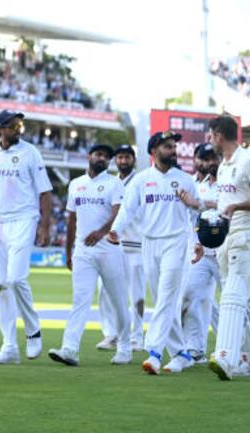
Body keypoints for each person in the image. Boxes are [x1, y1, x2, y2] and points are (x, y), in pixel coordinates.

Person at [109, 131, 199, 375]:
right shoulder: (141, 180)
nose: (173, 151)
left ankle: (155, 353)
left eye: (174, 146)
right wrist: (115, 230)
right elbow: (127, 210)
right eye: (168, 147)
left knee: (167, 295)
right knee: (163, 300)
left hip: (176, 242)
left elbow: (196, 214)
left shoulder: (185, 179)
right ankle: (181, 353)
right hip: (149, 243)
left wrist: (197, 242)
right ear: (154, 151)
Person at [0, 110, 52, 364]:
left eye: (20, 124)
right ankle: (9, 346)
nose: (18, 129)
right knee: (0, 286)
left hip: (24, 218)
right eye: (12, 125)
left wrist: (45, 226)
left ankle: (33, 331)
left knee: (17, 279)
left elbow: (45, 192)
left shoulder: (31, 152)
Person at [48, 144, 132, 366]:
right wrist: (68, 252)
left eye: (106, 156)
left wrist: (101, 232)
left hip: (108, 250)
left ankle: (125, 346)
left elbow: (117, 214)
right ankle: (70, 349)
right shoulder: (76, 184)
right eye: (99, 154)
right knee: (80, 300)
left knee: (118, 301)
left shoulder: (114, 183)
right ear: (89, 157)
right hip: (83, 251)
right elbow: (71, 220)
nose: (102, 158)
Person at [205, 114, 250, 380]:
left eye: (211, 135)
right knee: (239, 302)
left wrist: (237, 206)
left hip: (245, 234)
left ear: (219, 135)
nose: (210, 140)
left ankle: (226, 357)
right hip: (225, 236)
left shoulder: (249, 160)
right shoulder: (223, 166)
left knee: (232, 296)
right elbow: (225, 203)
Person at [96, 144, 145, 352]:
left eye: (127, 157)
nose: (123, 161)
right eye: (120, 157)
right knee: (105, 292)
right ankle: (112, 334)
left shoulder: (141, 181)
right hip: (112, 244)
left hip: (136, 244)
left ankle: (136, 336)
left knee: (136, 295)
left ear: (133, 159)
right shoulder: (110, 182)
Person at [179, 143, 221, 365]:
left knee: (233, 302)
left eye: (213, 157)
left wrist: (201, 204)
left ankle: (245, 350)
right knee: (193, 297)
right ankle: (195, 349)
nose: (210, 162)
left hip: (225, 250)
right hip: (199, 251)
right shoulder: (191, 184)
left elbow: (228, 207)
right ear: (195, 160)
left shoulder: (227, 182)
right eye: (205, 158)